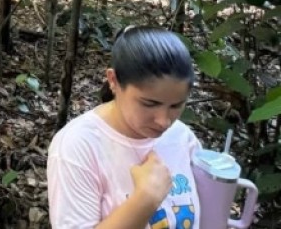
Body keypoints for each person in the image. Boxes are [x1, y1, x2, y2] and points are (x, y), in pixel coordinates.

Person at [47, 26, 200, 229]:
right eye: (149, 104)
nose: (164, 121)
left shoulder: (182, 137)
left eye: (176, 106)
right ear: (113, 81)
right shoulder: (78, 146)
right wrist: (145, 199)